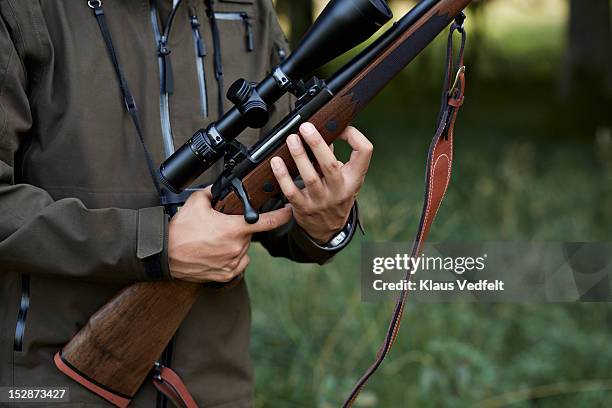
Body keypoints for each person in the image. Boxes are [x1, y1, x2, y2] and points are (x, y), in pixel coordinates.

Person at [0, 0, 372, 406]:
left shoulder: (251, 9)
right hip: (52, 383)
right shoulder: (24, 9)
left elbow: (278, 198)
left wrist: (323, 221)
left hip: (211, 390)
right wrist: (153, 244)